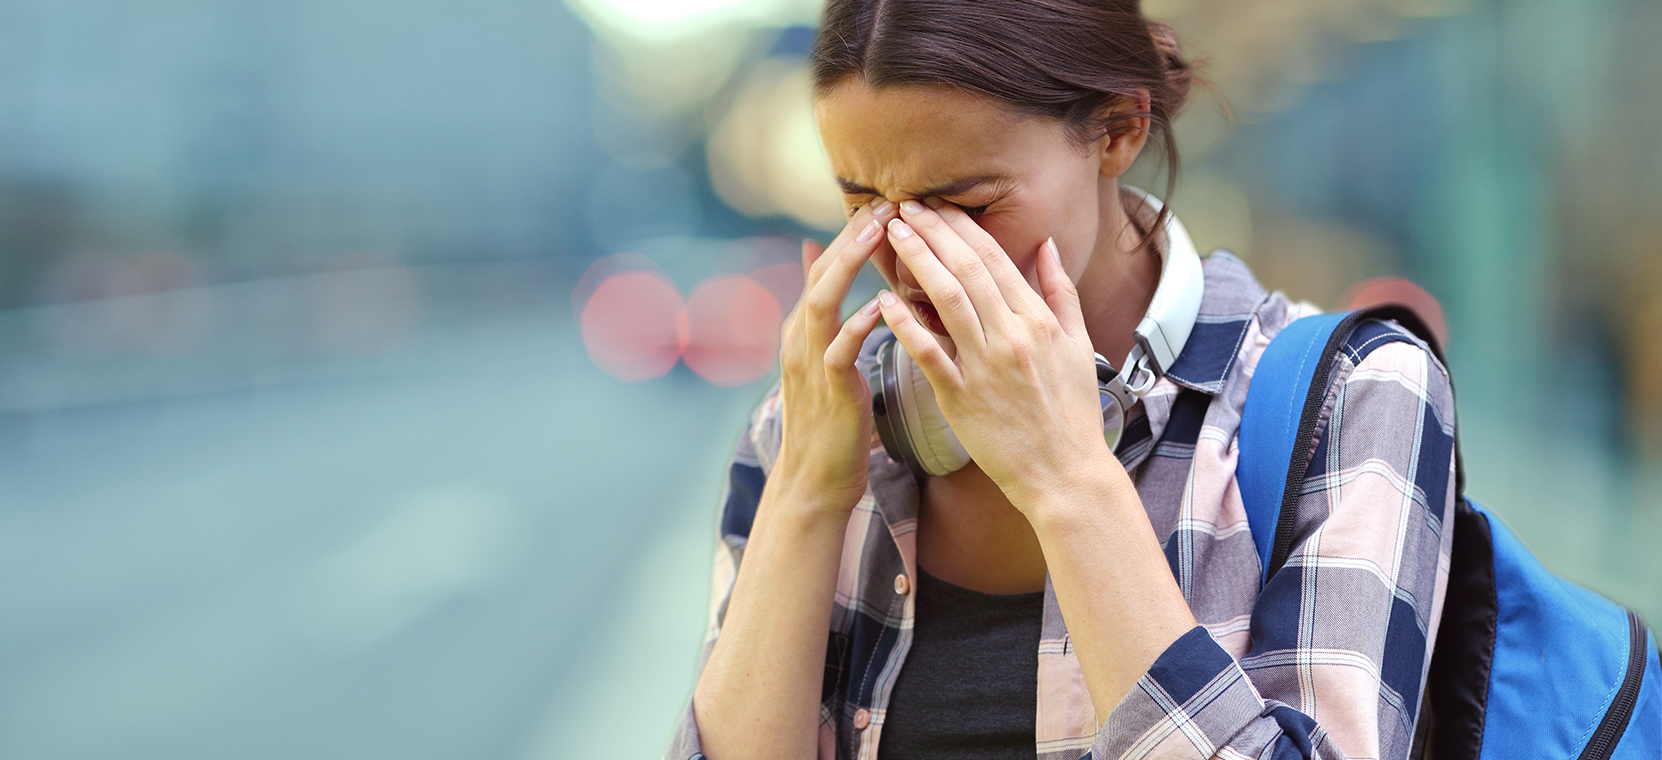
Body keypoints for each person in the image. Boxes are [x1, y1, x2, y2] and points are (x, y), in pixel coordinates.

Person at [668, 1, 1457, 758]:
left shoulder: (1357, 398)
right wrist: (806, 493)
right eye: (865, 204)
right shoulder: (817, 426)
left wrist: (1069, 480)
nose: (911, 261)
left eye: (965, 205)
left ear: (1118, 130)